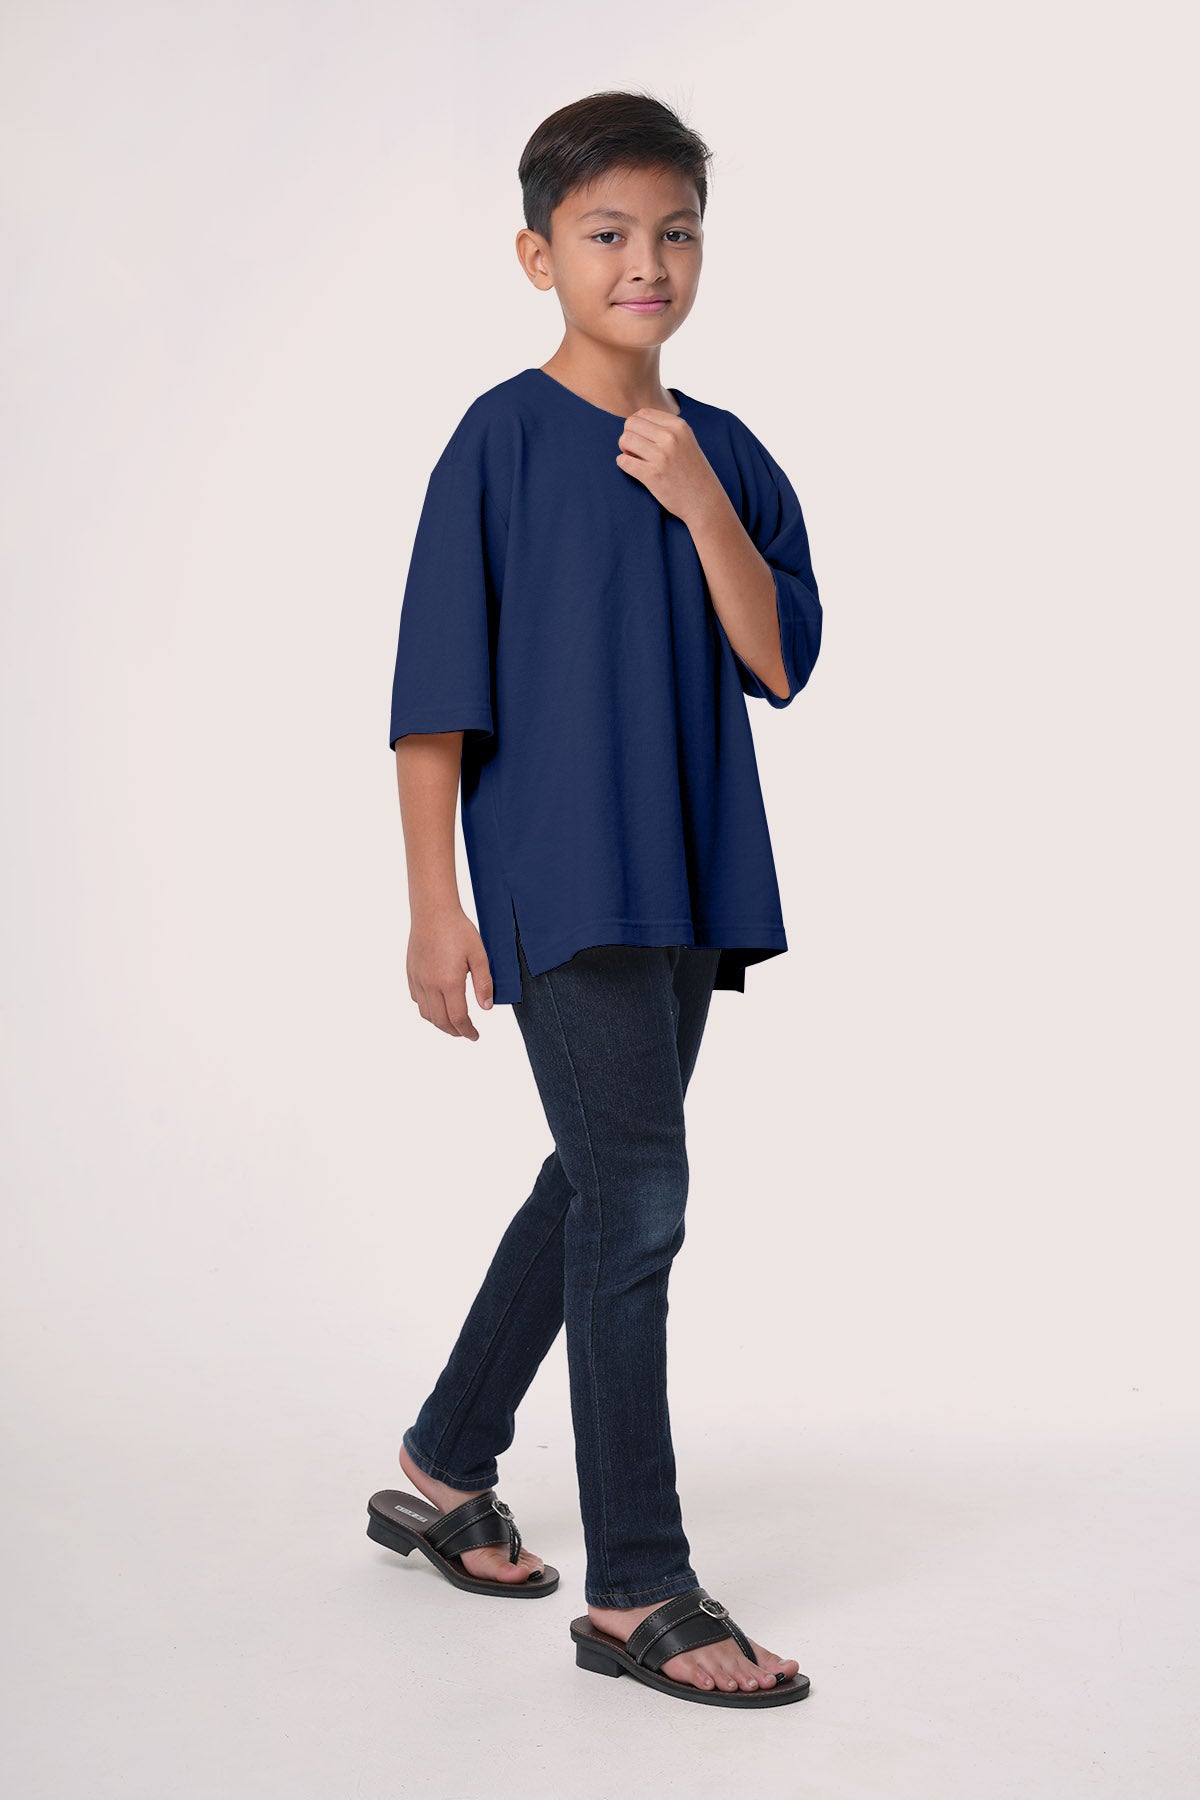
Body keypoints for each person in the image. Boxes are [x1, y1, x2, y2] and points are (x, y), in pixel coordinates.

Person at [368, 91, 822, 1709]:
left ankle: (442, 1464)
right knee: (639, 1198)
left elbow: (779, 659)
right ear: (538, 254)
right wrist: (435, 906)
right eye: (609, 232)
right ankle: (640, 1584)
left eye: (675, 232)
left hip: (686, 873)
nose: (647, 262)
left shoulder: (728, 452)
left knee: (596, 1176)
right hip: (559, 879)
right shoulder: (497, 441)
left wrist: (698, 499)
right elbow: (435, 700)